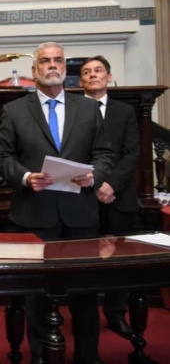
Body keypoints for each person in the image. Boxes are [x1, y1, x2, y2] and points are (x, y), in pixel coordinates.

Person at [0, 42, 115, 364]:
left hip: (81, 216)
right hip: (34, 215)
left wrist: (94, 176)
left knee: (85, 296)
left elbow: (104, 153)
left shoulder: (88, 108)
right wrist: (25, 177)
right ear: (35, 70)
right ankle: (39, 357)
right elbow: (2, 158)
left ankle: (88, 357)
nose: (52, 65)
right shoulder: (14, 111)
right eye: (45, 61)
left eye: (58, 60)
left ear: (64, 67)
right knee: (37, 296)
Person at [80, 55, 139, 340]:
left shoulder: (125, 112)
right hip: (83, 197)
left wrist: (110, 185)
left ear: (109, 77)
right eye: (87, 72)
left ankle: (116, 313)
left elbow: (131, 153)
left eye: (98, 70)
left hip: (118, 196)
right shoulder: (73, 109)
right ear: (80, 81)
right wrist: (95, 186)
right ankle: (84, 315)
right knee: (84, 260)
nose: (93, 75)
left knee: (119, 260)